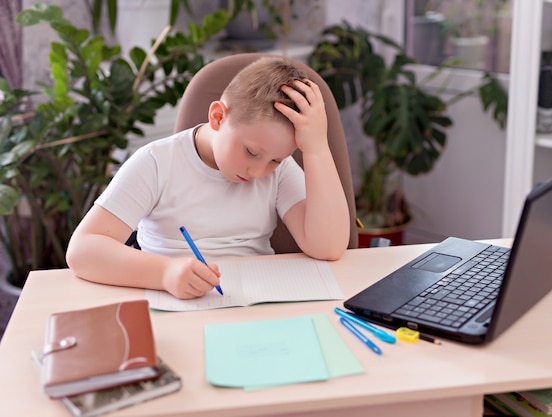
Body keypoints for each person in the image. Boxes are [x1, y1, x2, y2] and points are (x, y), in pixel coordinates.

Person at [66, 56, 350, 299]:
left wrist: (316, 148)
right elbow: (82, 250)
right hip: (174, 301)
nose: (258, 172)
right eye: (251, 152)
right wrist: (164, 273)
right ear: (218, 117)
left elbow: (328, 247)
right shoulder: (156, 163)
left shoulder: (280, 169)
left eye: (275, 160)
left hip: (254, 302)